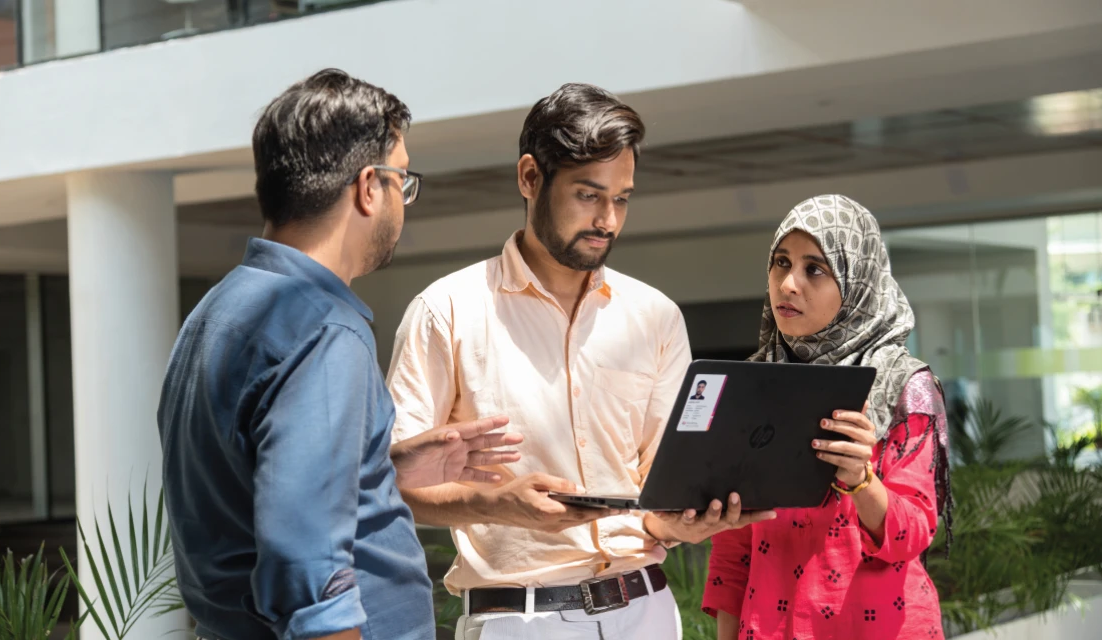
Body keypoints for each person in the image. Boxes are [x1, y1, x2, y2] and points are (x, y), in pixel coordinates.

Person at [386, 82, 772, 640]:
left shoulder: (656, 317)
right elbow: (391, 484)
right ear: (529, 178)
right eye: (588, 195)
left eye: (621, 199)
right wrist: (498, 504)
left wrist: (689, 520)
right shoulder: (445, 311)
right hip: (518, 620)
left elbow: (662, 485)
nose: (608, 221)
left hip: (647, 611)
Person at [157, 69, 523, 640]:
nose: (404, 200)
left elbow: (251, 485)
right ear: (368, 186)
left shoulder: (217, 311)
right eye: (403, 179)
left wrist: (381, 467)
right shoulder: (324, 329)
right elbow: (308, 567)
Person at [702, 195, 953, 639]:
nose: (788, 284)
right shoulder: (754, 382)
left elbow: (913, 533)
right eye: (781, 263)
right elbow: (733, 549)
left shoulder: (903, 385)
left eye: (814, 269)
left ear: (857, 281)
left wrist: (860, 480)